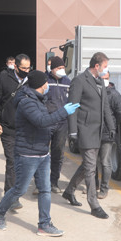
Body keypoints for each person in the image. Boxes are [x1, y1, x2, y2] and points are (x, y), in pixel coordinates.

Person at [0, 70, 79, 236]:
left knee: (45, 190)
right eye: (46, 82)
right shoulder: (26, 102)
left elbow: (45, 123)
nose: (48, 85)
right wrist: (63, 112)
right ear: (41, 84)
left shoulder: (39, 100)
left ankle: (44, 224)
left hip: (42, 153)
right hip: (27, 154)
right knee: (20, 189)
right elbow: (41, 121)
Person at [62, 52, 115, 219]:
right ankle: (94, 204)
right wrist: (72, 131)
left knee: (87, 165)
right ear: (96, 66)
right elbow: (72, 106)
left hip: (98, 131)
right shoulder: (80, 80)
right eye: (105, 66)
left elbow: (105, 106)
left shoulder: (99, 81)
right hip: (85, 130)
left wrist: (111, 126)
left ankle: (69, 191)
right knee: (91, 168)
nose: (106, 69)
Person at [0, 53, 31, 209]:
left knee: (23, 162)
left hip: (26, 129)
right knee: (12, 161)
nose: (26, 71)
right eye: (23, 68)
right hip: (8, 127)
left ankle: (15, 192)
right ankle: (11, 197)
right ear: (15, 67)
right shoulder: (4, 78)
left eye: (29, 68)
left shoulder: (30, 80)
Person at [96, 71, 121, 199]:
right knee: (92, 162)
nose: (104, 80)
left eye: (106, 78)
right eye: (101, 77)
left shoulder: (114, 94)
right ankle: (94, 186)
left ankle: (104, 189)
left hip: (107, 133)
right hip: (93, 132)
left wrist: (112, 124)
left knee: (105, 162)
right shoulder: (94, 92)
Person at [44, 56, 71, 193]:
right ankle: (40, 183)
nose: (62, 70)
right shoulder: (45, 81)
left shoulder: (67, 81)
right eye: (59, 68)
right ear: (52, 69)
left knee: (58, 153)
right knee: (42, 153)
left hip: (62, 123)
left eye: (63, 68)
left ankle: (54, 182)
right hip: (47, 121)